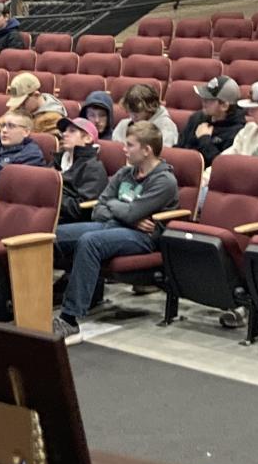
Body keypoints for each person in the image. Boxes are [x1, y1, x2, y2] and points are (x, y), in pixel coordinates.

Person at [51, 122, 181, 340]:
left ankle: (70, 318)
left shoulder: (164, 181)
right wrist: (128, 214)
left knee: (90, 241)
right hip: (114, 226)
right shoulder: (125, 173)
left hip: (143, 239)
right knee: (55, 235)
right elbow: (99, 208)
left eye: (129, 145)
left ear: (147, 150)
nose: (124, 149)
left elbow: (125, 211)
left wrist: (123, 212)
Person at [56, 114, 109, 219]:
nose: (64, 134)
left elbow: (82, 210)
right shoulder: (57, 161)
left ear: (88, 139)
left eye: (72, 131)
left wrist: (52, 196)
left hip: (70, 221)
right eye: (64, 131)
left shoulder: (93, 168)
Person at [183, 75, 245, 162]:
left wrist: (204, 139)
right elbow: (180, 147)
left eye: (208, 100)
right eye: (203, 98)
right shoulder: (196, 118)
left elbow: (222, 165)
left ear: (224, 106)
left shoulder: (237, 132)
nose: (203, 102)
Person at [112, 82, 178, 148]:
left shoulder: (166, 126)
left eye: (137, 112)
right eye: (129, 112)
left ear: (150, 108)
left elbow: (163, 153)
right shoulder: (123, 125)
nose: (132, 116)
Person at [0, 110, 48, 183]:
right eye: (3, 125)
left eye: (11, 126)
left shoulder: (31, 156)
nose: (4, 130)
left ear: (26, 132)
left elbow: (8, 186)